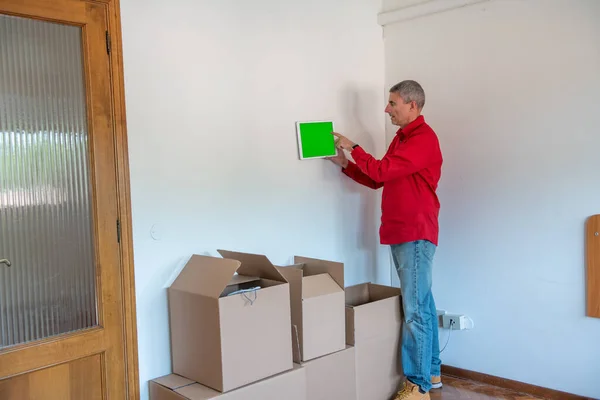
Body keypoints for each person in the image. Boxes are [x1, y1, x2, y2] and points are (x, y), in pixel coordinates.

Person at [328, 80, 443, 400]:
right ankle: (431, 372)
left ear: (413, 105)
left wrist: (353, 147)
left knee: (416, 310)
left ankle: (418, 385)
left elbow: (380, 171)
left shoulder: (423, 139)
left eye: (392, 103)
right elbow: (380, 178)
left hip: (415, 232)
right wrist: (344, 165)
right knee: (423, 304)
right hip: (403, 231)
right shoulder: (403, 138)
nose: (386, 109)